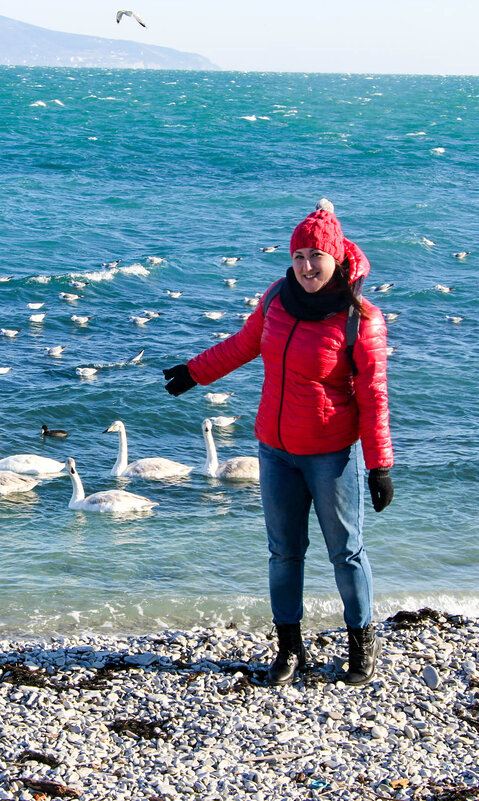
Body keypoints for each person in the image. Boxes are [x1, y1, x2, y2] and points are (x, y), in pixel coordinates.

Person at [162, 199, 393, 686]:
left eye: (316, 256)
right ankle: (290, 649)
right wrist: (194, 372)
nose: (307, 267)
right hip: (275, 449)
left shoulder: (360, 320)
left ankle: (362, 643)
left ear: (336, 258)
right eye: (298, 257)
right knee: (283, 552)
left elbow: (373, 397)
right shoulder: (276, 299)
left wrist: (380, 466)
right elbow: (246, 344)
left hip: (330, 454)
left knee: (345, 551)